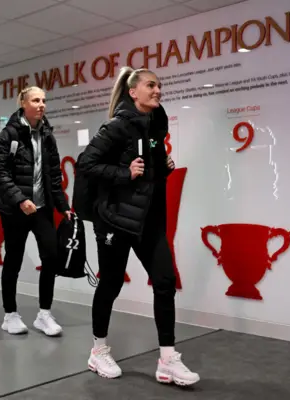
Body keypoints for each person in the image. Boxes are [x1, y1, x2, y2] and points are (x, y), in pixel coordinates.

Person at [76, 67, 200, 386]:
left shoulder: (155, 125)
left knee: (164, 280)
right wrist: (123, 172)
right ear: (134, 92)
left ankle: (168, 359)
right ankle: (98, 350)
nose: (158, 90)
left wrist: (164, 166)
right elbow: (86, 163)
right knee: (111, 283)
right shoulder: (117, 126)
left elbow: (149, 168)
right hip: (115, 219)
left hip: (148, 220)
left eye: (159, 86)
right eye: (151, 85)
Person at [0, 86, 71, 337]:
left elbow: (54, 176)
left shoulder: (47, 135)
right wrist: (20, 200)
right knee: (13, 259)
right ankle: (10, 315)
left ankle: (44, 314)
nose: (41, 104)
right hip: (15, 210)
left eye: (44, 100)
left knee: (51, 258)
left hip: (42, 208)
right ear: (23, 103)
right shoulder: (9, 134)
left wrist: (63, 206)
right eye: (36, 100)